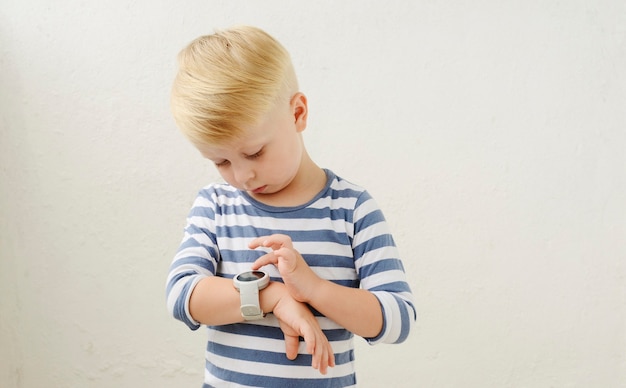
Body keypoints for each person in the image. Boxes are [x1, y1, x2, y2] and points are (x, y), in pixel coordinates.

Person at [166, 25, 416, 388]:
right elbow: (181, 294)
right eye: (220, 162)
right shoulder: (217, 205)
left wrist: (312, 288)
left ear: (297, 113)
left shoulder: (351, 209)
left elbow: (397, 319)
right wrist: (273, 295)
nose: (242, 175)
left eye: (254, 152)